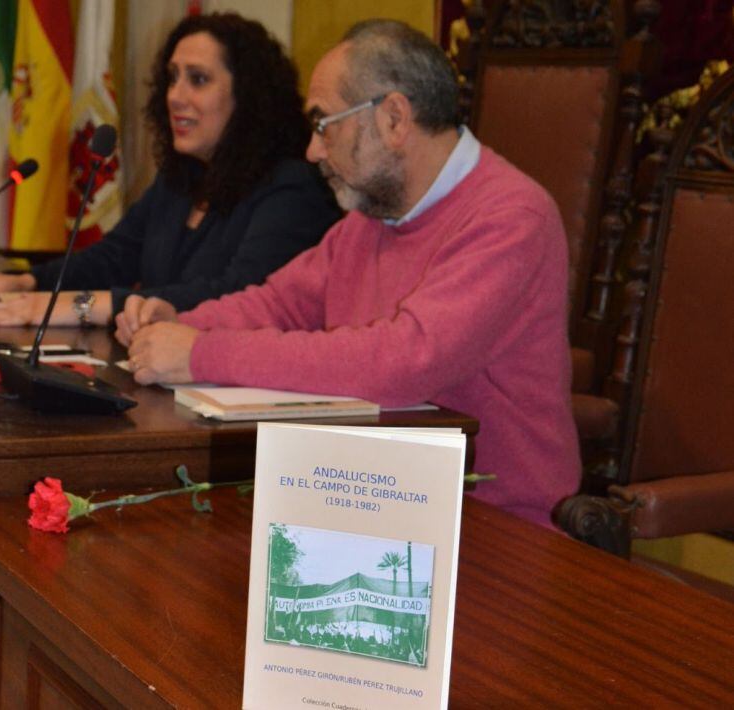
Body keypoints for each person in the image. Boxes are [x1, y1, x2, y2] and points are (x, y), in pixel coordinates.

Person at [115, 19, 580, 526]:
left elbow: (402, 362)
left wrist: (202, 352)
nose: (313, 150)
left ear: (394, 119)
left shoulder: (511, 217)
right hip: (375, 500)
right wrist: (181, 320)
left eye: (323, 123)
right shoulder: (370, 218)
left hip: (493, 523)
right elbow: (279, 303)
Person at [0, 12, 339, 328]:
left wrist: (80, 306)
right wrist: (25, 283)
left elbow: (237, 295)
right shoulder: (182, 179)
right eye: (172, 77)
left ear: (248, 96)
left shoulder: (293, 188)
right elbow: (114, 257)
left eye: (197, 79)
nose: (174, 96)